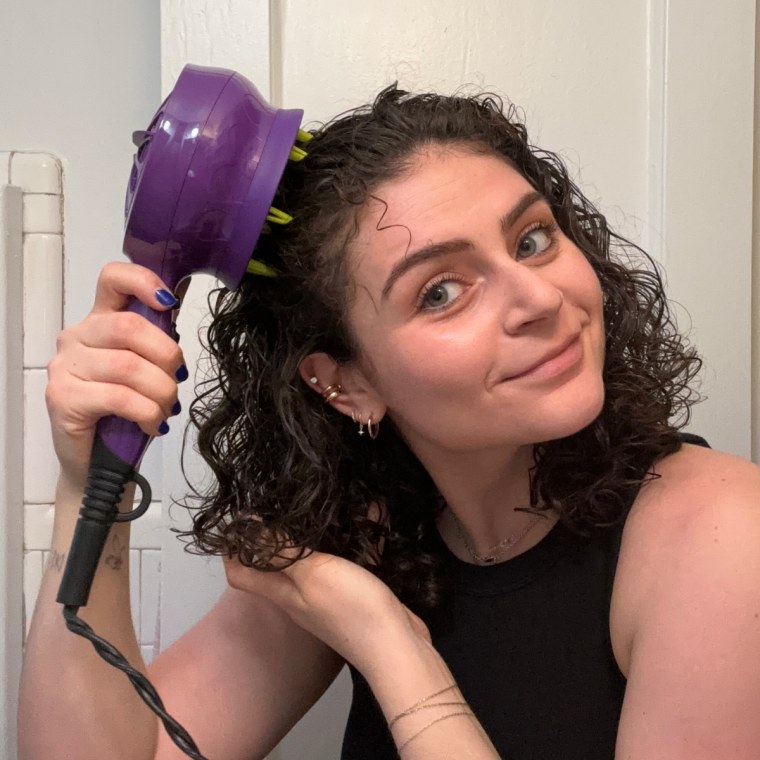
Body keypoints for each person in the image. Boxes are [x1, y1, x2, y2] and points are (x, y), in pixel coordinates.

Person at [19, 86, 760, 760]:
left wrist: (389, 646)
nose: (537, 299)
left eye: (531, 239)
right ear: (345, 384)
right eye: (441, 292)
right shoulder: (370, 537)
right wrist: (88, 488)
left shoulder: (721, 536)